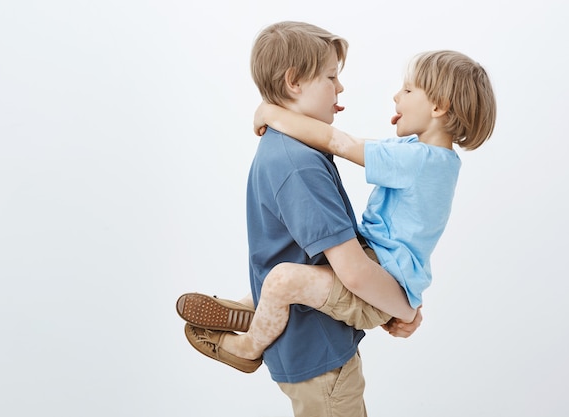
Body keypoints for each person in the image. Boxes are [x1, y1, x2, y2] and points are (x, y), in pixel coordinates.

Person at [178, 21, 424, 417]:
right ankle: (250, 330)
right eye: (331, 77)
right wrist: (405, 308)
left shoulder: (285, 147)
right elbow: (354, 272)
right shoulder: (299, 166)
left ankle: (254, 310)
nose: (340, 87)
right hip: (320, 352)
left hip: (303, 337)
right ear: (293, 81)